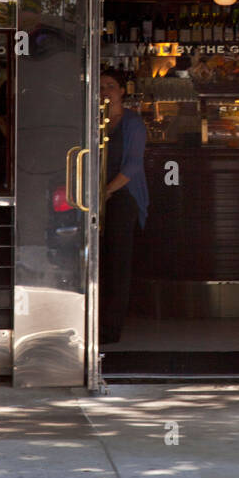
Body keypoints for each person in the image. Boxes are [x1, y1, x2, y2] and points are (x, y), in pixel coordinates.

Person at [99, 69, 150, 345]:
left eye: (110, 85)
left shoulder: (132, 123)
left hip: (121, 196)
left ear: (122, 91)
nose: (105, 91)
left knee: (117, 262)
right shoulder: (93, 119)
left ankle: (111, 328)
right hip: (93, 197)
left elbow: (133, 165)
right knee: (96, 260)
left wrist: (107, 191)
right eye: (100, 86)